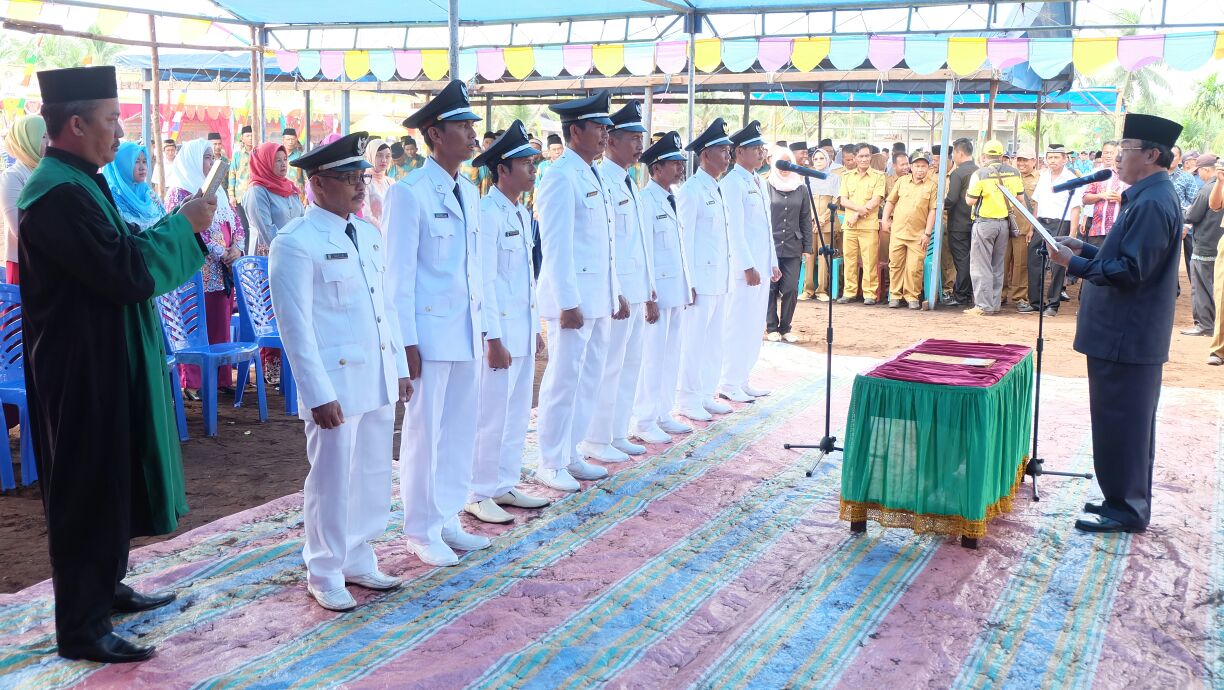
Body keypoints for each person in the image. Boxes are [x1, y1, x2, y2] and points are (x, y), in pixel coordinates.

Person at [18, 65, 214, 662]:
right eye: (111, 121)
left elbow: (120, 252)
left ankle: (105, 589)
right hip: (79, 367)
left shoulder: (82, 180)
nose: (119, 134)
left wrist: (173, 228)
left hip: (105, 355)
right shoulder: (52, 195)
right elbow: (123, 271)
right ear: (74, 124)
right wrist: (184, 229)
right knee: (85, 486)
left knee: (113, 473)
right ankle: (81, 627)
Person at [269, 132, 410, 611]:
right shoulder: (296, 241)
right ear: (317, 184)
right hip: (335, 382)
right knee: (331, 477)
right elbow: (295, 326)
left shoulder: (367, 233)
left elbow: (384, 307)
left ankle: (358, 554)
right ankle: (325, 568)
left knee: (372, 470)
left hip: (375, 375)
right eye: (348, 178)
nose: (358, 186)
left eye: (361, 177)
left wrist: (399, 368)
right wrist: (316, 391)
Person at [1047, 113, 1184, 533]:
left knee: (1124, 421)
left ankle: (1126, 509)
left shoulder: (1154, 201)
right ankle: (1120, 499)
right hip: (1123, 333)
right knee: (1120, 420)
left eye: (1125, 152)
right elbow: (1126, 256)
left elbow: (1130, 271)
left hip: (1128, 334)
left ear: (1152, 154)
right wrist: (1085, 249)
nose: (1118, 160)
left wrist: (1075, 264)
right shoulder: (1146, 196)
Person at [384, 80, 491, 567]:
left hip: (466, 331)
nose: (473, 134)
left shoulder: (467, 189)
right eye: (463, 126)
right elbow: (398, 277)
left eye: (471, 125)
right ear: (434, 133)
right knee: (425, 434)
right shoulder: (410, 194)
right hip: (429, 335)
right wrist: (406, 341)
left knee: (458, 430)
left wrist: (486, 328)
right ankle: (420, 528)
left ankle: (447, 515)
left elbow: (471, 270)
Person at [533, 89, 630, 492]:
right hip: (573, 302)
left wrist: (616, 292)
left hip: (598, 297)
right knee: (563, 379)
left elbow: (604, 244)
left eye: (607, 126)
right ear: (575, 131)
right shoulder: (559, 176)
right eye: (599, 126)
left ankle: (571, 451)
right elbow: (556, 246)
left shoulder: (593, 173)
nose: (606, 133)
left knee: (588, 378)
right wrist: (568, 302)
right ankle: (550, 460)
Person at [464, 121, 552, 524]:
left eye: (534, 163)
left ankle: (502, 482)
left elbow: (523, 278)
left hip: (520, 328)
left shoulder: (519, 211)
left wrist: (534, 327)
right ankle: (477, 491)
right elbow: (484, 281)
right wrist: (492, 336)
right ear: (502, 170)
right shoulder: (488, 213)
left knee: (517, 412)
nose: (533, 171)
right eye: (526, 164)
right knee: (489, 414)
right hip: (498, 333)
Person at [580, 102, 658, 463]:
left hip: (636, 289)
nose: (639, 145)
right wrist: (618, 292)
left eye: (641, 138)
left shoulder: (630, 181)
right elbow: (605, 247)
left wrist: (648, 288)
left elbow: (636, 244)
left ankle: (615, 431)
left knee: (630, 364)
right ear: (611, 140)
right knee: (608, 366)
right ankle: (596, 438)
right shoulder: (604, 181)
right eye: (631, 138)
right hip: (618, 292)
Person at [165, 138, 246, 400]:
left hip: (222, 271)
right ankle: (192, 381)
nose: (211, 162)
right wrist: (221, 252)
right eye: (206, 157)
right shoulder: (179, 192)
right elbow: (186, 228)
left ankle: (222, 378)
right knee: (194, 323)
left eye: (213, 157)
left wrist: (237, 248)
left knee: (219, 321)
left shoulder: (219, 191)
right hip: (197, 270)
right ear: (192, 159)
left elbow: (236, 222)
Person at [631, 132, 695, 444]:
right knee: (652, 357)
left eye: (681, 162)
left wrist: (688, 284)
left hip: (675, 290)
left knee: (671, 354)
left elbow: (678, 248)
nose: (681, 168)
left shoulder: (673, 197)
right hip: (657, 294)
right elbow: (643, 251)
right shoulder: (645, 201)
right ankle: (644, 419)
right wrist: (648, 295)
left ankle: (662, 412)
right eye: (674, 163)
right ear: (656, 168)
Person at [676, 118, 737, 421]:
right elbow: (684, 239)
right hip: (700, 279)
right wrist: (688, 280)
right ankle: (687, 398)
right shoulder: (691, 189)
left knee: (714, 341)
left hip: (720, 278)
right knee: (694, 342)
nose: (728, 156)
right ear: (705, 156)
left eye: (728, 150)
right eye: (723, 151)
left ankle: (705, 393)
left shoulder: (717, 187)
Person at [719, 120, 779, 401]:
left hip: (762, 265)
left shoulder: (758, 181)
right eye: (755, 148)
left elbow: (766, 228)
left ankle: (743, 378)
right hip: (745, 269)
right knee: (738, 323)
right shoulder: (732, 183)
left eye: (762, 148)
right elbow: (735, 228)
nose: (761, 153)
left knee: (755, 325)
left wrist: (773, 262)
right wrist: (747, 265)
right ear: (738, 152)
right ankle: (728, 381)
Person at [963, 140, 1024, 316]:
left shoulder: (979, 174)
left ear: (984, 156)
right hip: (1004, 224)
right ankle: (995, 303)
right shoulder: (1014, 173)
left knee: (981, 265)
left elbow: (970, 201)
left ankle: (983, 305)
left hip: (984, 224)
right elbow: (1019, 199)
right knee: (998, 265)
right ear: (1001, 155)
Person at [1028, 144, 1083, 317]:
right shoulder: (1043, 176)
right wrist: (1032, 227)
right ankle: (1035, 302)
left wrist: (1072, 234)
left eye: (1056, 157)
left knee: (1058, 264)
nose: (1052, 161)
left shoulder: (1070, 179)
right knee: (1034, 259)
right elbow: (1036, 204)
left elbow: (1075, 208)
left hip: (1061, 223)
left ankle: (1053, 304)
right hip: (1041, 223)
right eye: (1050, 157)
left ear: (1064, 159)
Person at [765, 145, 813, 339]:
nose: (785, 167)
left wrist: (808, 248)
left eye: (788, 163)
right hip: (770, 246)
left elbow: (805, 219)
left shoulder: (801, 188)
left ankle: (785, 327)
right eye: (781, 162)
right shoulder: (765, 186)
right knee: (770, 289)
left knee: (791, 288)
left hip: (793, 245)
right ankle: (771, 328)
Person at [881, 150, 939, 310]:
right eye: (917, 166)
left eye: (923, 166)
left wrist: (927, 233)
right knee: (895, 265)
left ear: (928, 168)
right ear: (911, 167)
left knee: (914, 267)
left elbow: (933, 210)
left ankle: (912, 296)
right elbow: (890, 202)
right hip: (898, 232)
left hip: (918, 234)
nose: (920, 169)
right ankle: (894, 295)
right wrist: (885, 219)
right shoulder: (901, 182)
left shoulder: (932, 186)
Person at [837, 143, 886, 305]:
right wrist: (858, 211)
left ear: (871, 157)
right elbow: (843, 200)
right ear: (855, 158)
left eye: (867, 156)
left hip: (868, 225)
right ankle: (849, 292)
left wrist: (857, 214)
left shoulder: (879, 176)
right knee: (849, 260)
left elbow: (876, 200)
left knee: (869, 260)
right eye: (861, 156)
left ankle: (869, 293)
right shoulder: (847, 176)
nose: (864, 159)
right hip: (850, 226)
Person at [0, 115, 46, 284]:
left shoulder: (48, 172)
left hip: (50, 259)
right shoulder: (13, 176)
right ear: (27, 141)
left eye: (50, 136)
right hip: (25, 261)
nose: (49, 142)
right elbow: (19, 228)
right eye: (43, 137)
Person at [1182, 163, 1224, 338]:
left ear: (1206, 170)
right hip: (1217, 245)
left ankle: (1204, 324)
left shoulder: (1208, 189)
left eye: (1199, 172)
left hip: (1206, 244)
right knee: (1215, 287)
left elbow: (1192, 215)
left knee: (1201, 286)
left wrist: (1183, 211)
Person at [243, 142, 304, 256]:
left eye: (285, 159)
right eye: (277, 160)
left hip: (295, 253)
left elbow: (302, 220)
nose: (283, 164)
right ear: (265, 163)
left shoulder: (290, 187)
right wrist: (292, 250)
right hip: (270, 256)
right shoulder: (257, 191)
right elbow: (267, 230)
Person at [802, 147, 841, 302]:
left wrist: (823, 218)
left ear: (828, 160)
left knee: (823, 254)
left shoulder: (834, 178)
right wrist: (813, 218)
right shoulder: (807, 178)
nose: (818, 162)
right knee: (809, 254)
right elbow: (805, 200)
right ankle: (807, 289)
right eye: (816, 159)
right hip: (810, 220)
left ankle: (821, 290)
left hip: (827, 219)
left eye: (822, 158)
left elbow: (836, 200)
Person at [942, 138, 978, 306]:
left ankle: (961, 296)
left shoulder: (958, 173)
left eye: (953, 153)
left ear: (960, 153)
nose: (952, 157)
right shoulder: (979, 171)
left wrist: (940, 205)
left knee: (962, 260)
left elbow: (952, 198)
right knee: (972, 259)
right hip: (975, 222)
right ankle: (969, 293)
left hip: (958, 224)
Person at [101, 141, 166, 231]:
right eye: (136, 162)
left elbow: (165, 221)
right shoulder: (113, 198)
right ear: (122, 164)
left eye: (144, 161)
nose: (142, 167)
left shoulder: (148, 193)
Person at [1007, 148, 1041, 312]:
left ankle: (1020, 297)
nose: (1021, 163)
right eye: (1019, 159)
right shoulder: (1009, 175)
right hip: (1005, 225)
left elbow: (1038, 205)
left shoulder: (1041, 179)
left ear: (1034, 161)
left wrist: (1032, 228)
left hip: (1025, 227)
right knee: (1001, 263)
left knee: (1021, 265)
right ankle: (999, 295)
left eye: (1025, 160)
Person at [1081, 141, 1127, 250]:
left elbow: (1139, 201)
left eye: (1112, 153)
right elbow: (1085, 199)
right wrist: (1101, 195)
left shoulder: (1131, 175)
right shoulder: (1099, 175)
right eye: (1106, 153)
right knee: (1096, 263)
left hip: (1122, 232)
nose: (1109, 156)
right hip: (1098, 231)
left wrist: (1122, 198)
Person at [359, 138, 394, 229]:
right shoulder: (365, 181)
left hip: (392, 233)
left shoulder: (391, 182)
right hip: (374, 233)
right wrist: (384, 231)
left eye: (387, 156)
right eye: (379, 155)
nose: (384, 160)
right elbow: (366, 215)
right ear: (370, 155)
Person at [229, 124, 254, 203]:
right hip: (240, 196)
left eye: (252, 136)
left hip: (256, 195)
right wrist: (231, 195)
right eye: (247, 136)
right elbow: (232, 174)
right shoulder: (237, 155)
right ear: (242, 138)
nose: (250, 138)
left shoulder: (259, 154)